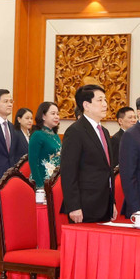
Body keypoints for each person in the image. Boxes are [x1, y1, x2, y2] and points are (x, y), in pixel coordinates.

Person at [60, 84, 114, 223]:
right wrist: (73, 206)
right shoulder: (75, 131)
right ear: (86, 105)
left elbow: (107, 169)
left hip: (104, 204)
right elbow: (68, 172)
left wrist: (112, 201)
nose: (105, 104)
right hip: (84, 206)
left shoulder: (104, 132)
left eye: (105, 100)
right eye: (100, 100)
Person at [28, 101, 61, 188]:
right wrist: (40, 186)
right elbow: (32, 162)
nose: (56, 116)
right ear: (43, 116)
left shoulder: (55, 135)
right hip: (42, 181)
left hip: (54, 182)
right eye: (53, 113)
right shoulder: (37, 135)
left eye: (57, 114)